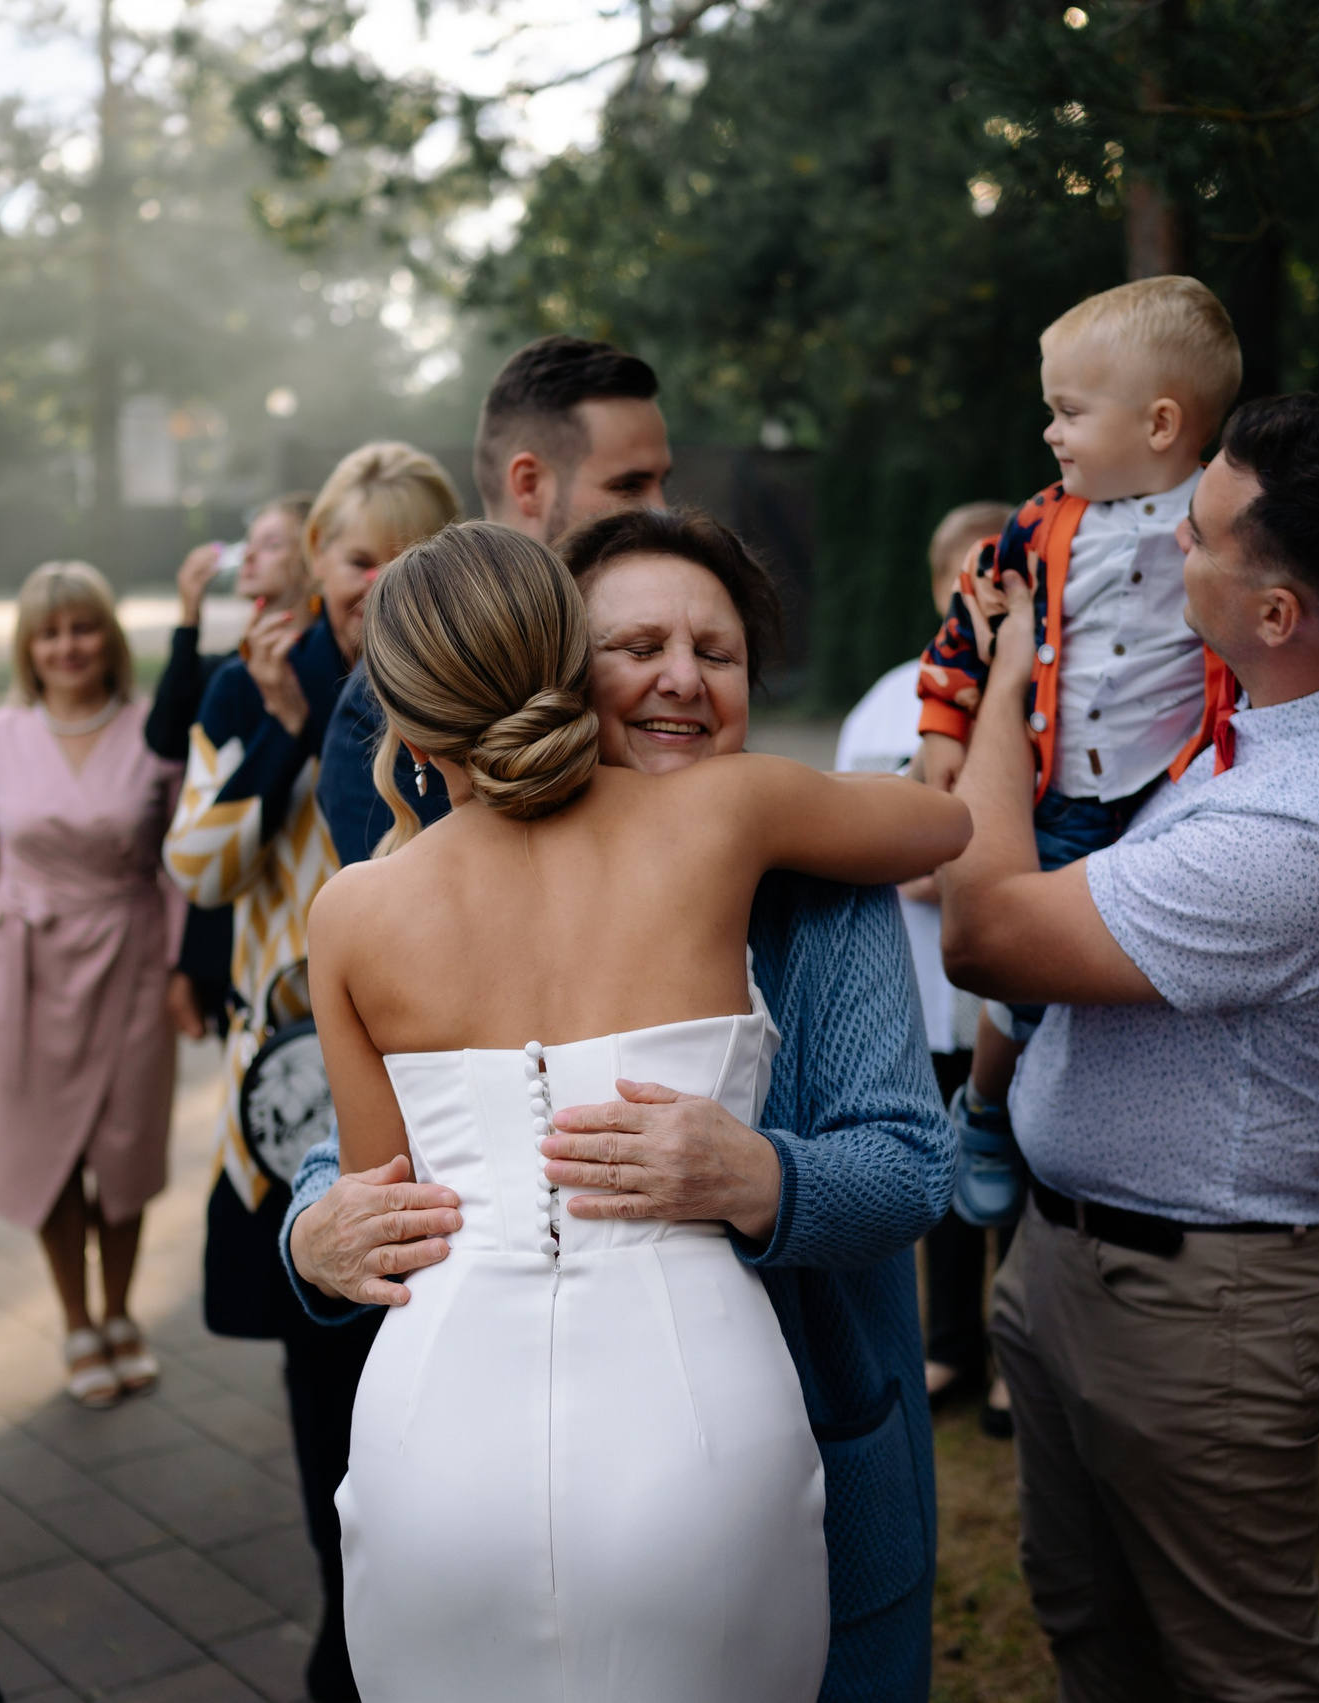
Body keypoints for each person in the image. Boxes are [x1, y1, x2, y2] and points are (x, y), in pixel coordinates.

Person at [287, 505, 962, 1703]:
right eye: (637, 646)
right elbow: (365, 1208)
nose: (681, 681)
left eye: (718, 652)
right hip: (696, 1407)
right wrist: (311, 1228)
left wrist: (764, 1175)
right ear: (563, 665)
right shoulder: (740, 809)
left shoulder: (355, 909)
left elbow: (401, 1182)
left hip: (437, 1421)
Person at [938, 393, 1319, 1701]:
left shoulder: (1307, 834)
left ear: (1281, 613)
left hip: (1198, 1311)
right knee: (1090, 1624)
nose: (1170, 538)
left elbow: (987, 934)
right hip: (1082, 1258)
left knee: (1240, 1673)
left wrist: (1013, 674)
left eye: (1202, 531)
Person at [160, 444, 457, 1703]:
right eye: (355, 555)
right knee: (326, 1393)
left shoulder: (465, 686)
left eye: (405, 554)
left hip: (442, 1083)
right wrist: (283, 737)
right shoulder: (247, 686)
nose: (375, 580)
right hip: (294, 1118)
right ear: (320, 561)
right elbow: (196, 863)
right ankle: (348, 1645)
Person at [909, 277, 1241, 1232]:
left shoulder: (1229, 525)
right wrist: (941, 729)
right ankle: (982, 1108)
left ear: (1161, 423)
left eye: (1068, 411)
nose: (1050, 433)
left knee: (1123, 982)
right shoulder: (1037, 525)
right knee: (1020, 967)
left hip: (1166, 801)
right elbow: (966, 634)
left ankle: (1076, 1131)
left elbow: (1300, 599)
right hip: (1058, 792)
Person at [0, 563, 183, 1409]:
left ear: (109, 637)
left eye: (84, 627)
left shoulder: (157, 730)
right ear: (28, 647)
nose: (68, 646)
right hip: (23, 969)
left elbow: (179, 866)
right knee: (49, 1152)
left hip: (132, 955)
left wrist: (185, 972)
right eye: (50, 631)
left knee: (125, 1143)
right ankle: (75, 1318)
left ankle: (120, 1310)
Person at [315, 334, 671, 864]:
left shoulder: (674, 653)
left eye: (663, 481)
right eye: (631, 484)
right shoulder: (393, 690)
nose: (662, 510)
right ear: (529, 484)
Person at [834, 499, 1015, 1436]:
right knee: (944, 1172)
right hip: (924, 992)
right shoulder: (889, 703)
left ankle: (1015, 1356)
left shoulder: (1046, 696)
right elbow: (870, 833)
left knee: (1019, 1164)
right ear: (952, 585)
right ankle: (951, 1338)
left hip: (1018, 997)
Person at [144, 493, 315, 1037]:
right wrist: (188, 616)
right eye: (249, 543)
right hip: (234, 918)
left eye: (272, 543)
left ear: (316, 556)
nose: (249, 557)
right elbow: (164, 736)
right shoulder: (235, 673)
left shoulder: (333, 664)